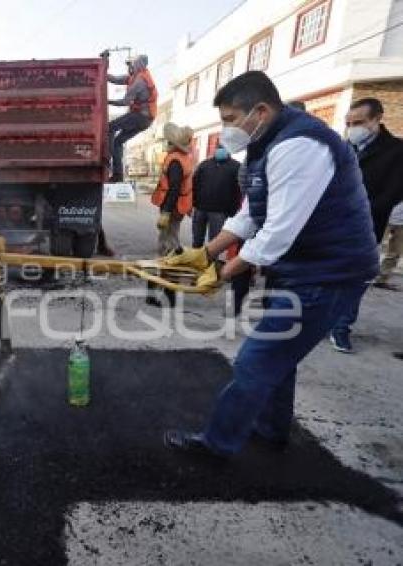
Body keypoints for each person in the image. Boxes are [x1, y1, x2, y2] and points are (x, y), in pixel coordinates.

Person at [162, 71, 378, 458]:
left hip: (330, 271)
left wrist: (222, 275)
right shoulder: (265, 145)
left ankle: (216, 445)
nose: (226, 129)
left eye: (230, 119)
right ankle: (271, 429)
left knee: (255, 360)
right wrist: (207, 253)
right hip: (305, 267)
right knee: (280, 354)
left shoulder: (298, 147)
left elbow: (277, 234)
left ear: (259, 111)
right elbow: (250, 216)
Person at [329, 98, 403, 352]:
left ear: (376, 119)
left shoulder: (396, 151)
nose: (352, 128)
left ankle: (341, 327)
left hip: (365, 226)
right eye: (348, 123)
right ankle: (322, 321)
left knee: (355, 279)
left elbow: (391, 194)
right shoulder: (342, 147)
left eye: (358, 122)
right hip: (329, 225)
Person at [105, 54, 158, 182]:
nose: (129, 67)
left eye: (131, 64)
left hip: (141, 117)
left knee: (111, 126)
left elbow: (125, 102)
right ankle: (118, 175)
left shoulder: (139, 81)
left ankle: (106, 159)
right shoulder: (134, 77)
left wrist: (107, 101)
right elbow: (115, 79)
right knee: (118, 142)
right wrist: (103, 70)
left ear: (138, 65)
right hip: (145, 119)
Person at [152, 123, 194, 256]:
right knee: (172, 231)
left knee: (168, 234)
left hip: (173, 204)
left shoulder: (175, 160)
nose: (166, 143)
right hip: (179, 203)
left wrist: (166, 211)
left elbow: (174, 187)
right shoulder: (184, 157)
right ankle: (172, 253)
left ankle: (169, 256)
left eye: (168, 141)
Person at [191, 146, 241, 248]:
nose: (220, 151)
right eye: (219, 148)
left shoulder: (236, 166)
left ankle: (211, 262)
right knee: (197, 239)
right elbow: (194, 183)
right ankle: (195, 260)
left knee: (214, 242)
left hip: (219, 212)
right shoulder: (205, 164)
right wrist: (193, 203)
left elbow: (238, 191)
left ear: (229, 151)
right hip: (200, 209)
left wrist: (232, 211)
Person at [376, 202, 403, 290]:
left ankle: (381, 279)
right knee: (395, 253)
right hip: (398, 223)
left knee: (393, 252)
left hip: (394, 220)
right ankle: (381, 280)